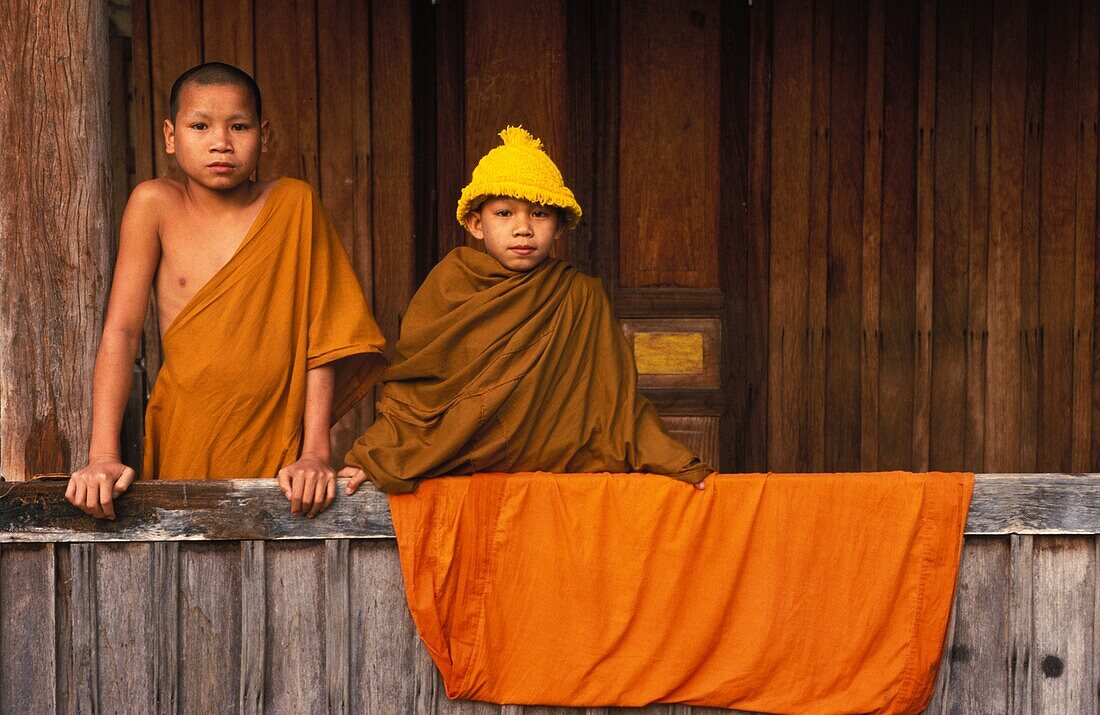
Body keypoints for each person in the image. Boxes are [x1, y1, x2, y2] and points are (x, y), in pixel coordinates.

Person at [67, 62, 386, 519]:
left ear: (264, 135)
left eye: (239, 126)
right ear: (171, 136)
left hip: (278, 448)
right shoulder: (155, 205)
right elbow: (121, 332)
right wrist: (102, 456)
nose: (221, 142)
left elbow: (326, 339)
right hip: (185, 432)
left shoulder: (294, 204)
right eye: (200, 126)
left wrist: (315, 453)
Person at [340, 126, 711, 494]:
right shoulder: (447, 286)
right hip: (463, 476)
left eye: (539, 214)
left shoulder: (579, 296)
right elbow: (417, 394)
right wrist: (379, 454)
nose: (522, 229)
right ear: (475, 224)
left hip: (553, 484)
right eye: (504, 213)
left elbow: (617, 406)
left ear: (560, 227)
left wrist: (676, 462)